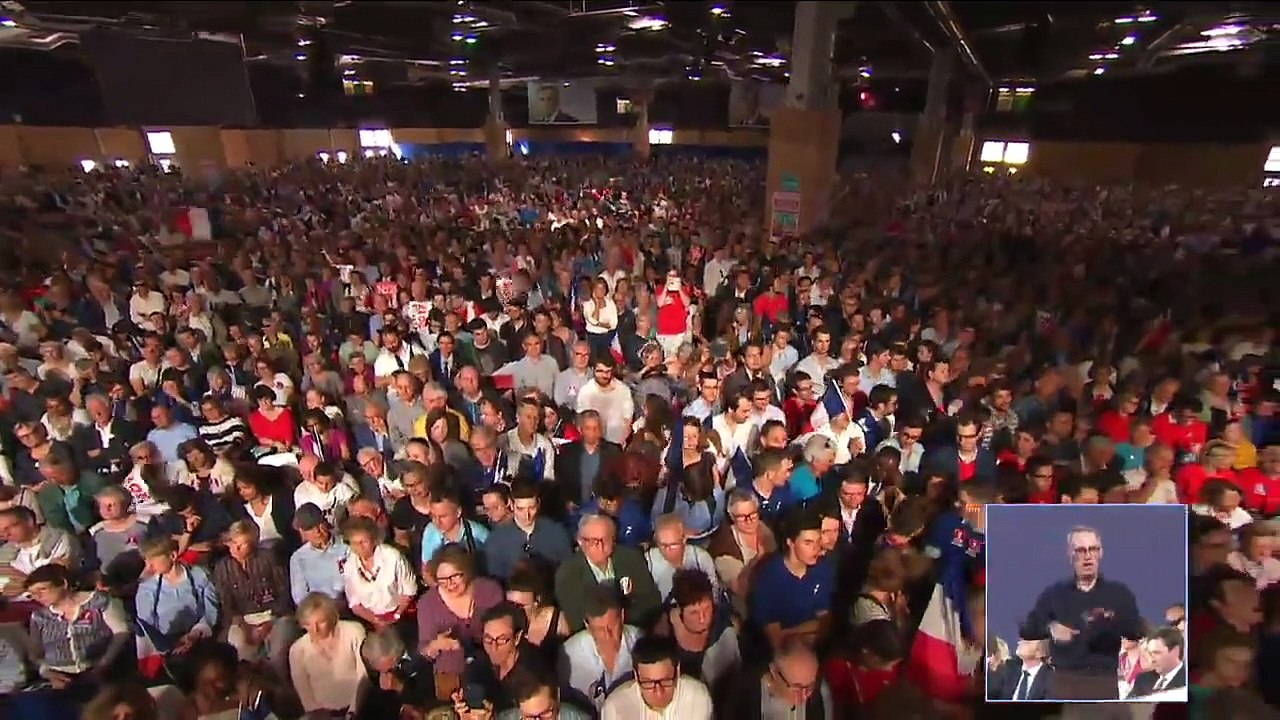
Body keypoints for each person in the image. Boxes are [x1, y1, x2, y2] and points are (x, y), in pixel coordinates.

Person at [1018, 524, 1142, 700]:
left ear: (1101, 553)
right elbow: (1028, 629)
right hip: (1064, 683)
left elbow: (1135, 630)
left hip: (1103, 682)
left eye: (1093, 549)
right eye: (1081, 550)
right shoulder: (1054, 593)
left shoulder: (1119, 593)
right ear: (1070, 555)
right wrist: (1051, 628)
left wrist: (1109, 620)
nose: (1088, 556)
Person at [211, 520, 299, 678]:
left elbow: (284, 592)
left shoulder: (269, 558)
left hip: (275, 616)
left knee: (278, 654)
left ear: (253, 544)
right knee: (242, 652)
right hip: (243, 620)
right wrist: (245, 627)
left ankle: (282, 692)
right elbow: (227, 604)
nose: (235, 549)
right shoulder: (223, 567)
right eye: (233, 543)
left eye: (242, 544)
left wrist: (269, 622)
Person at [25, 563, 131, 688]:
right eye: (33, 593)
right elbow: (35, 654)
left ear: (63, 583)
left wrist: (104, 663)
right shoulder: (40, 617)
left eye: (42, 589)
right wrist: (46, 671)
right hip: (59, 676)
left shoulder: (100, 602)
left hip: (101, 670)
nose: (38, 597)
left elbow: (121, 633)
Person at [554, 512, 662, 632]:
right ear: (580, 541)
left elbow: (651, 601)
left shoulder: (631, 558)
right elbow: (577, 620)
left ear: (614, 540)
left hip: (636, 630)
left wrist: (621, 624)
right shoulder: (568, 573)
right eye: (593, 541)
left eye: (604, 540)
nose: (600, 547)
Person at [134, 536, 220, 681]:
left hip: (200, 641)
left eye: (152, 559)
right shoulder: (146, 588)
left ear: (172, 556)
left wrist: (194, 635)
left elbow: (211, 611)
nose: (148, 565)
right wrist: (170, 646)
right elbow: (147, 628)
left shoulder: (200, 576)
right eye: (146, 561)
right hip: (166, 649)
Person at [559, 583, 640, 709]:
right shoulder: (569, 654)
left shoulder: (640, 641)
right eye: (600, 629)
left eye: (612, 626)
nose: (607, 635)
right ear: (587, 624)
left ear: (622, 616)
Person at [289, 592, 369, 718]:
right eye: (309, 624)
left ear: (332, 617)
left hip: (360, 708)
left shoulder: (353, 632)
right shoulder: (298, 650)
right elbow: (305, 694)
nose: (315, 630)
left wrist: (353, 712)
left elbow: (363, 675)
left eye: (321, 622)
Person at [601, 635, 714, 719]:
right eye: (648, 683)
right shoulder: (615, 707)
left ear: (677, 670)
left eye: (665, 681)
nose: (659, 692)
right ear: (636, 675)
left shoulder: (697, 697)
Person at [723, 636, 833, 719]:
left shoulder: (821, 692)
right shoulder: (742, 693)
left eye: (809, 687)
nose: (804, 697)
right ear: (774, 672)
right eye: (796, 687)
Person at [485, 478, 573, 581]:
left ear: (538, 504)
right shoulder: (496, 539)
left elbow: (569, 575)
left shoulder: (557, 533)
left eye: (531, 508)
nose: (526, 515)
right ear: (511, 505)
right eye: (520, 509)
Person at [288, 503, 349, 606]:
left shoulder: (347, 546)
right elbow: (300, 597)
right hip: (318, 610)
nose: (317, 531)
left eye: (319, 524)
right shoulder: (298, 558)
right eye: (310, 528)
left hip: (348, 605)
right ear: (302, 532)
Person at [1127, 626, 1186, 698]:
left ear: (1175, 651)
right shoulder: (1143, 679)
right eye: (1150, 654)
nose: (1152, 660)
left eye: (1156, 653)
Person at [987, 638, 1054, 701]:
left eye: (1027, 642)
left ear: (1039, 652)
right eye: (1021, 640)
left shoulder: (1050, 679)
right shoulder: (1009, 668)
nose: (1019, 643)